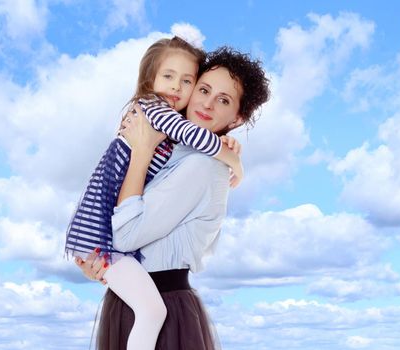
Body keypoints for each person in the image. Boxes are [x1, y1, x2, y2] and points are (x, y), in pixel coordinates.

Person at [77, 47, 270, 350]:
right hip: (135, 298)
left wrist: (142, 151)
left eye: (223, 100)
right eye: (203, 89)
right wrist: (97, 263)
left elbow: (126, 236)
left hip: (163, 307)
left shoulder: (201, 165)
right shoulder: (171, 148)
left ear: (238, 117)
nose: (206, 103)